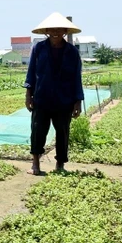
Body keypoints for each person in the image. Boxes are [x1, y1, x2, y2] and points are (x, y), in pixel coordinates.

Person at [24, 12, 84, 175]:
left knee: (62, 131)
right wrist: (29, 94)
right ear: (47, 31)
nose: (56, 32)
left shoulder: (71, 52)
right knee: (37, 130)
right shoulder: (38, 48)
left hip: (64, 99)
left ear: (65, 31)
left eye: (59, 29)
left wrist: (78, 101)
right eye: (52, 29)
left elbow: (76, 77)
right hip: (42, 97)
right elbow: (31, 72)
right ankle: (35, 164)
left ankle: (60, 165)